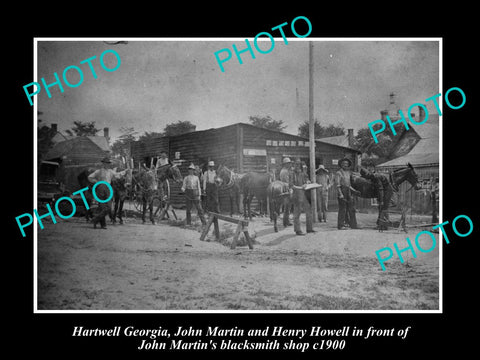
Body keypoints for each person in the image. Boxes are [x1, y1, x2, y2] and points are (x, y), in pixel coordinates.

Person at [87, 157, 129, 229]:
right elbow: (90, 177)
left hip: (108, 189)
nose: (107, 165)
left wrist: (125, 171)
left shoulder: (110, 171)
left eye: (108, 163)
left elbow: (117, 175)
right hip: (100, 188)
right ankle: (103, 225)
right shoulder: (99, 171)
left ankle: (95, 219)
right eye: (106, 163)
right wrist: (96, 182)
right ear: (103, 163)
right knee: (102, 207)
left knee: (109, 207)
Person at [360, 163, 391, 229]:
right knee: (382, 208)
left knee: (383, 208)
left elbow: (380, 189)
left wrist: (381, 200)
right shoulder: (373, 175)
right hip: (384, 191)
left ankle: (383, 225)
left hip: (386, 192)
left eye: (366, 175)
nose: (366, 177)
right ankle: (382, 224)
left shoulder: (375, 176)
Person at [289, 158, 314, 235]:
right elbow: (291, 185)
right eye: (296, 164)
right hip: (296, 195)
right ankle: (297, 230)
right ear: (294, 165)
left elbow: (307, 180)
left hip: (303, 195)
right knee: (297, 213)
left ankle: (309, 229)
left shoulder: (303, 173)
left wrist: (307, 183)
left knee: (309, 211)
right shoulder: (292, 174)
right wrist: (301, 187)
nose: (297, 166)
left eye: (299, 164)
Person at [335, 157, 359, 230]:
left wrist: (354, 191)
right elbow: (338, 185)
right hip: (342, 191)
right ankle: (341, 225)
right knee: (343, 209)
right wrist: (340, 194)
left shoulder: (348, 173)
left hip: (348, 191)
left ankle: (353, 225)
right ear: (341, 165)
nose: (345, 165)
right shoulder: (338, 173)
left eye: (347, 164)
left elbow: (348, 185)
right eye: (344, 164)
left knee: (351, 208)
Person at [279, 157, 293, 226]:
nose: (289, 165)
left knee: (287, 207)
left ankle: (287, 221)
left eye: (289, 163)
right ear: (285, 164)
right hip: (286, 188)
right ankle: (286, 222)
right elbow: (287, 181)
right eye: (288, 164)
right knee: (287, 207)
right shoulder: (285, 171)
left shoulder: (283, 170)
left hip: (284, 188)